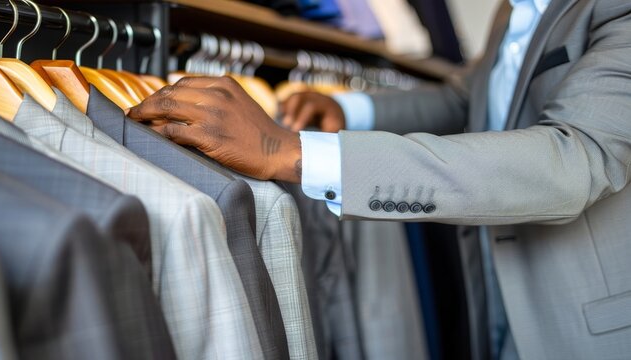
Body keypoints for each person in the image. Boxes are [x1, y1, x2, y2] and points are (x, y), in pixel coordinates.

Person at [127, 0, 631, 358]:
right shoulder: (513, 11)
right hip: (494, 291)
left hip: (582, 322)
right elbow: (464, 99)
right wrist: (347, 106)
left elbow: (577, 157)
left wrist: (289, 151)